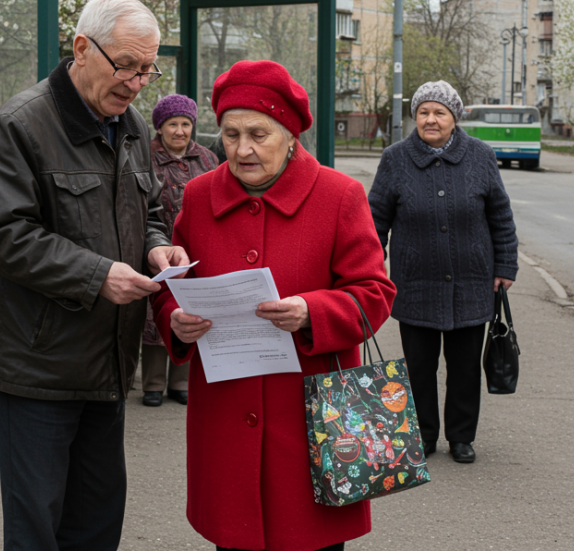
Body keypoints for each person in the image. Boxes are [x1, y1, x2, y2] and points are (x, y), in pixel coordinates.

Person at [0, 0, 188, 551]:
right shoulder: (20, 124)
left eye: (147, 69)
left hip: (108, 361)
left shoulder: (131, 123)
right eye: (127, 66)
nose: (136, 83)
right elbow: (2, 234)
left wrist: (157, 247)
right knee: (37, 526)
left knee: (96, 521)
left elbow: (150, 210)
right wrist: (98, 275)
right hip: (39, 365)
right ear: (82, 48)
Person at [153, 60, 397, 551]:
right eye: (230, 134)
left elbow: (374, 292)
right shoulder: (199, 196)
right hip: (225, 417)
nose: (242, 149)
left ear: (289, 136)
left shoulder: (339, 195)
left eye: (258, 134)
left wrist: (312, 312)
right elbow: (173, 286)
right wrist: (174, 319)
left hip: (314, 424)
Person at [367, 80, 518, 465]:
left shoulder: (481, 156)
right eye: (423, 112)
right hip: (415, 283)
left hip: (471, 281)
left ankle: (462, 437)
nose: (430, 119)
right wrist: (369, 266)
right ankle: (424, 434)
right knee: (419, 366)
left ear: (455, 118)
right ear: (415, 116)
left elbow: (500, 214)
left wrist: (505, 265)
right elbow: (375, 219)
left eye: (439, 112)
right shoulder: (395, 159)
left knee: (465, 367)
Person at [140, 94, 219, 408]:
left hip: (194, 246)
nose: (180, 131)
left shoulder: (207, 158)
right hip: (155, 244)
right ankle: (153, 384)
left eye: (185, 124)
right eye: (172, 124)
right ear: (160, 127)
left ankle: (181, 382)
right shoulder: (145, 156)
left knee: (190, 310)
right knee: (154, 312)